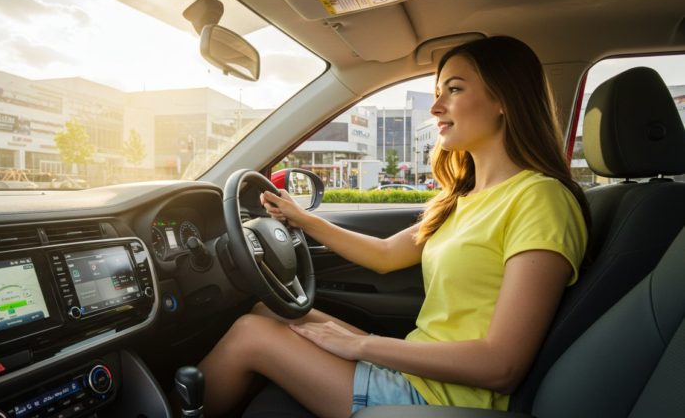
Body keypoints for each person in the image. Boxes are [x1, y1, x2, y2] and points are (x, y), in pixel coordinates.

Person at [193, 36, 590, 418]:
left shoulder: (540, 199)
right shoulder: (465, 199)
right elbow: (384, 256)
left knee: (250, 333)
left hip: (441, 401)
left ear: (504, 99)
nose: (435, 107)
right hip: (418, 374)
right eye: (438, 92)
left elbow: (501, 366)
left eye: (453, 89)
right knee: (269, 310)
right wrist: (303, 219)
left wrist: (363, 345)